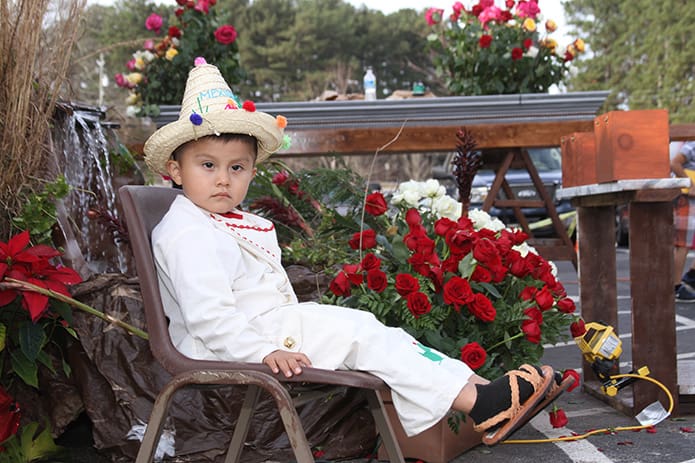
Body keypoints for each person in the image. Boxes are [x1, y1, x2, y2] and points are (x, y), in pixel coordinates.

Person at [142, 57, 567, 447]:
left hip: (260, 329)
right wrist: (262, 352)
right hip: (229, 344)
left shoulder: (212, 220)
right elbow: (208, 316)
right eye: (208, 165)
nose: (223, 180)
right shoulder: (188, 233)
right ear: (176, 170)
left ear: (252, 171)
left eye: (236, 168)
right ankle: (483, 403)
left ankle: (483, 392)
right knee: (362, 336)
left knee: (368, 328)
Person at [671, 141, 695, 302]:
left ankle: (690, 277)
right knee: (682, 244)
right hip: (687, 199)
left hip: (689, 198)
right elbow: (675, 163)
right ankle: (675, 286)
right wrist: (690, 184)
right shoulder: (692, 145)